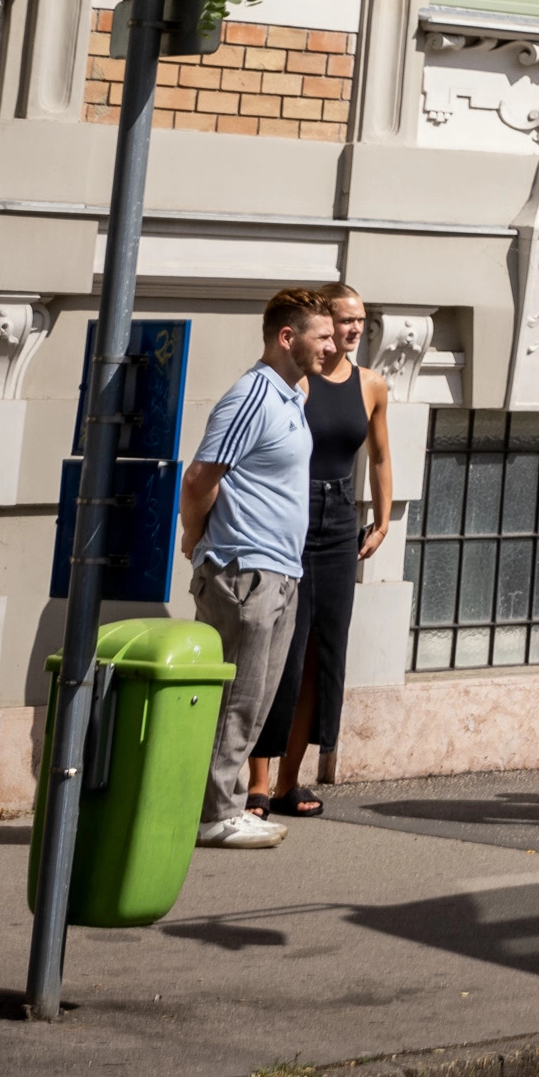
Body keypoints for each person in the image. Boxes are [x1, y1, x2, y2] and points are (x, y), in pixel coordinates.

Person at [179, 288, 336, 849]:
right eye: (322, 334)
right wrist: (195, 539)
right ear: (287, 337)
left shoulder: (290, 396)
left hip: (278, 571)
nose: (334, 342)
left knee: (256, 700)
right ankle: (213, 813)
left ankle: (223, 806)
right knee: (235, 701)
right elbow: (199, 478)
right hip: (244, 570)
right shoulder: (253, 396)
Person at [248, 283, 391, 819]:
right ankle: (256, 782)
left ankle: (291, 780)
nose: (353, 330)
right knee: (281, 649)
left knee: (321, 653)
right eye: (344, 320)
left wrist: (382, 518)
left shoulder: (372, 385)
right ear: (322, 325)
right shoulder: (296, 382)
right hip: (292, 514)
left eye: (360, 320)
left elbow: (379, 455)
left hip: (338, 521)